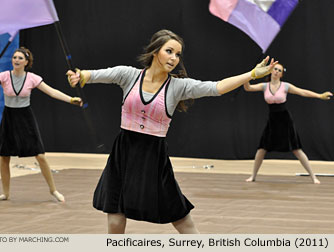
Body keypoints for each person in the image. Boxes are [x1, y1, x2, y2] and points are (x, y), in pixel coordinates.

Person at [67, 29, 277, 233]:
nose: (174, 58)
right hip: (124, 152)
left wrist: (251, 74)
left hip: (153, 156)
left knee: (181, 219)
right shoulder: (128, 75)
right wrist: (79, 76)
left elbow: (217, 87)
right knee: (114, 218)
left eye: (178, 54)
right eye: (169, 51)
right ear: (154, 51)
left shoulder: (178, 87)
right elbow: (90, 75)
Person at [0, 47, 83, 202]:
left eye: (20, 58)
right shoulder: (3, 76)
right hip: (9, 118)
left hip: (26, 118)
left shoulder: (32, 78)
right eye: (14, 57)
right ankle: (6, 193)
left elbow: (52, 92)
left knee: (40, 156)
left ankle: (53, 190)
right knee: (4, 156)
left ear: (26, 62)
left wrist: (71, 99)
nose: (16, 60)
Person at [244, 63, 332, 184]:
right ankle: (253, 176)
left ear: (281, 74)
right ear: (270, 71)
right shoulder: (265, 86)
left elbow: (302, 92)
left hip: (285, 120)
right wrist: (249, 75)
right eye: (275, 69)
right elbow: (248, 88)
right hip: (272, 120)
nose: (276, 71)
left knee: (296, 149)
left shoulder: (285, 86)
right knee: (261, 149)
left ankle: (313, 177)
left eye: (279, 70)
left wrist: (319, 96)